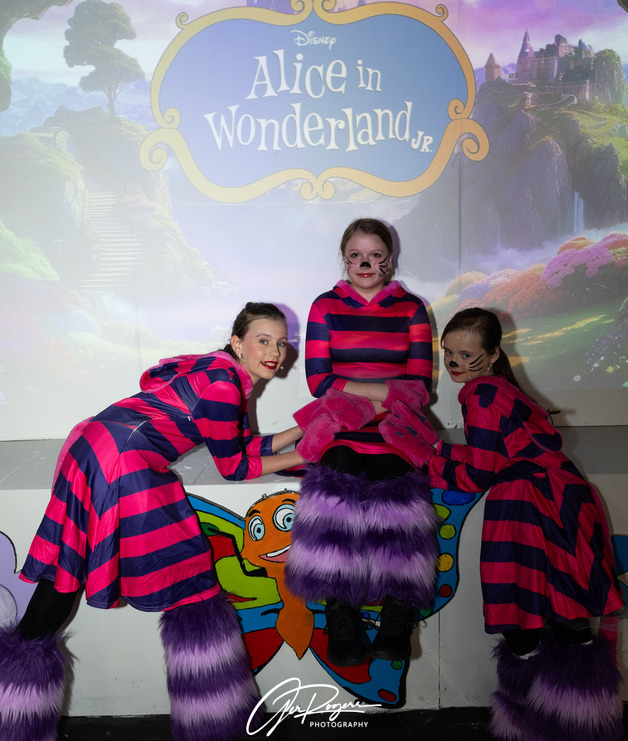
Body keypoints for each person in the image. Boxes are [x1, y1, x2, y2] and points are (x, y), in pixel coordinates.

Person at [0, 302, 304, 741]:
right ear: (238, 343)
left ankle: (13, 720)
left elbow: (238, 444)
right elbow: (235, 467)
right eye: (263, 340)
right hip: (122, 462)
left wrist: (305, 427)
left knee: (65, 573)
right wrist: (306, 453)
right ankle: (214, 725)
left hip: (93, 446)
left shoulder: (216, 370)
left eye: (281, 343)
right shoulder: (226, 384)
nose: (275, 352)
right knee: (191, 580)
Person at [422, 307, 624, 740]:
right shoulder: (501, 390)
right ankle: (582, 725)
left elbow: (478, 475)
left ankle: (533, 724)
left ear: (494, 354)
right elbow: (495, 457)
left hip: (530, 504)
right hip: (561, 498)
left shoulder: (480, 393)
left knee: (523, 622)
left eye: (466, 354)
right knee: (569, 617)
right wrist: (437, 450)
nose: (454, 362)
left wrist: (426, 458)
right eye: (448, 352)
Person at [284, 218, 440, 667]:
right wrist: (386, 393)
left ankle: (398, 615)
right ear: (344, 258)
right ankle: (340, 617)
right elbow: (319, 382)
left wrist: (363, 394)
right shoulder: (325, 306)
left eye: (374, 255)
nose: (365, 264)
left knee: (398, 496)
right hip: (340, 427)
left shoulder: (411, 308)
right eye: (355, 255)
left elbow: (419, 389)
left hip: (398, 430)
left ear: (389, 258)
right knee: (335, 492)